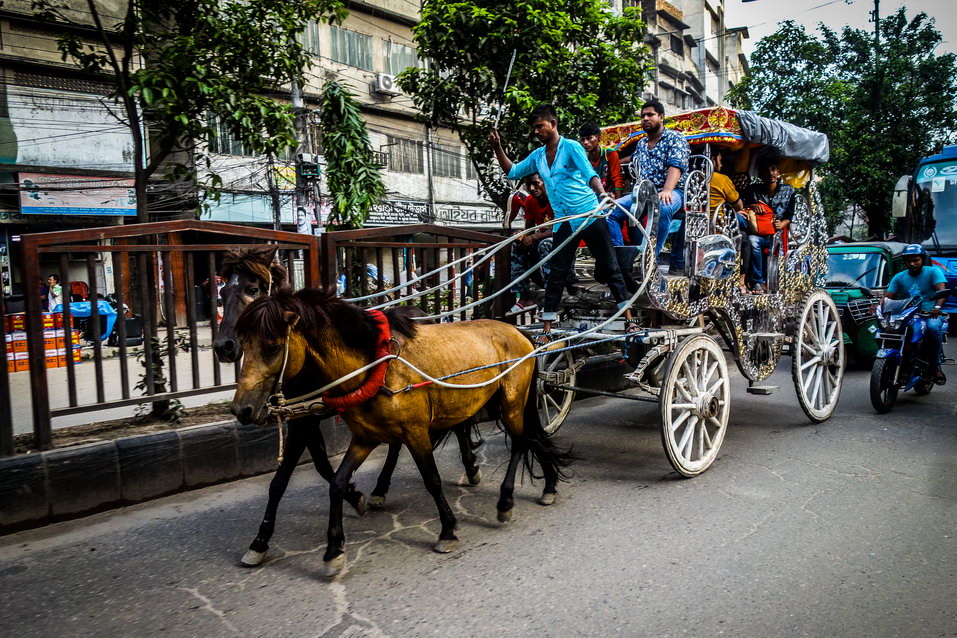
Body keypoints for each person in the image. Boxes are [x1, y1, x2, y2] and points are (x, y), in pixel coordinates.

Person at [490, 103, 637, 341]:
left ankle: (629, 320)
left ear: (553, 124)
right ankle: (547, 330)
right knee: (557, 272)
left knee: (610, 267)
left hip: (588, 214)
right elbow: (512, 171)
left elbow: (591, 174)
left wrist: (601, 194)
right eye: (534, 128)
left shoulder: (571, 147)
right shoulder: (538, 156)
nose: (536, 131)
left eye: (540, 126)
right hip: (564, 221)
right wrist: (497, 148)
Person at [619, 99, 690, 274]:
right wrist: (613, 162)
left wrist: (667, 189)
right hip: (645, 192)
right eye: (643, 116)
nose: (645, 118)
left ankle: (650, 258)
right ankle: (622, 259)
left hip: (674, 190)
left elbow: (676, 166)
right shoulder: (642, 143)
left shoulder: (675, 138)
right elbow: (632, 159)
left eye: (650, 115)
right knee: (612, 211)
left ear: (661, 117)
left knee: (663, 209)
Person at [883, 244, 948, 385]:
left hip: (930, 315)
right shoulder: (899, 277)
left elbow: (941, 290)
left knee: (932, 328)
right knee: (891, 329)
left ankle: (935, 366)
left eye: (916, 260)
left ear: (922, 259)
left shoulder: (933, 272)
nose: (912, 263)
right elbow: (888, 296)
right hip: (907, 314)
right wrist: (878, 306)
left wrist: (937, 307)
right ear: (904, 262)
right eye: (909, 261)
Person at [747, 156, 796, 293]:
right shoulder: (753, 190)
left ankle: (772, 282)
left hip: (777, 234)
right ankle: (758, 281)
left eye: (773, 169)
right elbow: (744, 206)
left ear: (778, 171)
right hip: (758, 231)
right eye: (766, 171)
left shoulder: (789, 191)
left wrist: (783, 224)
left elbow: (790, 216)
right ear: (760, 174)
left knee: (773, 248)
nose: (770, 173)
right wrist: (753, 205)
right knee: (752, 241)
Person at [510, 173, 555, 312]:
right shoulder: (530, 200)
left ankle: (551, 296)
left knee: (545, 244)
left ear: (545, 182)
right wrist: (522, 236)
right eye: (529, 185)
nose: (532, 188)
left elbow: (561, 230)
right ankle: (524, 296)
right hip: (542, 239)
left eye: (536, 183)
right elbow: (529, 227)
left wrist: (534, 237)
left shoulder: (556, 197)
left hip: (561, 240)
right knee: (516, 245)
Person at [708, 148, 749, 293]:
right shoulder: (721, 179)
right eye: (719, 161)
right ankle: (742, 280)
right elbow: (738, 204)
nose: (721, 165)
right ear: (712, 160)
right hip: (720, 229)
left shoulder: (691, 177)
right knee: (744, 234)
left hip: (696, 228)